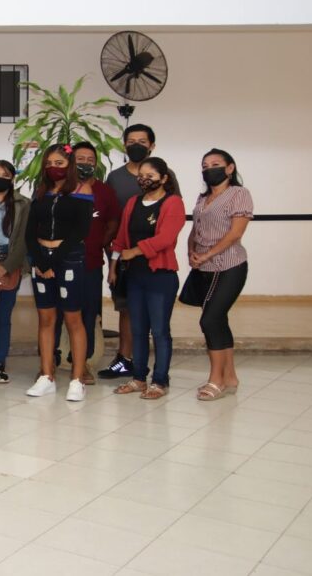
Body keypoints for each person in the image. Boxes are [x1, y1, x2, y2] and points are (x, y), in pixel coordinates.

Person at [100, 124, 180, 379]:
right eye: (131, 141)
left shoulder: (170, 189)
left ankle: (158, 377)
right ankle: (129, 365)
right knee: (130, 316)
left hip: (157, 265)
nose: (136, 145)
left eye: (142, 141)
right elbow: (117, 226)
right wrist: (114, 260)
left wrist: (136, 251)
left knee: (158, 326)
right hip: (127, 265)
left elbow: (169, 230)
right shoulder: (120, 183)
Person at [110, 157, 185, 399]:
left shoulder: (173, 203)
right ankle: (139, 378)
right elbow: (121, 238)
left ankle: (160, 381)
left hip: (160, 276)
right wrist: (113, 265)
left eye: (150, 176)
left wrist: (134, 251)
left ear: (163, 178)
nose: (144, 180)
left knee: (160, 331)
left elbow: (165, 238)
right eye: (141, 176)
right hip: (135, 276)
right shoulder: (133, 202)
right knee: (138, 329)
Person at [25, 144, 94, 401]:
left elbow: (81, 231)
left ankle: (77, 379)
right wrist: (40, 260)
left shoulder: (82, 191)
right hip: (41, 260)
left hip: (69, 258)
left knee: (73, 318)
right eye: (49, 163)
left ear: (70, 165)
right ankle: (46, 376)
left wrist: (54, 262)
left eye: (59, 163)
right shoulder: (41, 191)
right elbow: (30, 230)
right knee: (46, 319)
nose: (53, 168)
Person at [51, 143, 119, 382]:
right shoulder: (58, 189)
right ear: (71, 162)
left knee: (89, 314)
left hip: (90, 263)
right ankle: (50, 362)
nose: (86, 163)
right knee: (56, 314)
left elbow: (113, 222)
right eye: (80, 159)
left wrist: (100, 242)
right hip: (59, 263)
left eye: (91, 160)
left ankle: (84, 365)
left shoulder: (105, 191)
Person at [190, 149, 253, 401]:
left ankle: (215, 380)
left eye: (215, 164)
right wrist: (192, 252)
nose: (209, 169)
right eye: (205, 165)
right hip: (204, 268)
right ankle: (230, 377)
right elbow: (195, 229)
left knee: (210, 320)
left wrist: (207, 254)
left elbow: (235, 233)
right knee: (218, 321)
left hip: (229, 266)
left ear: (229, 168)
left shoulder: (239, 194)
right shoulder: (203, 197)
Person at [0, 160, 30, 383]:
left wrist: (7, 266)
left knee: (4, 317)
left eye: (4, 175)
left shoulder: (23, 204)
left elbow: (23, 239)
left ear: (12, 178)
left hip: (10, 263)